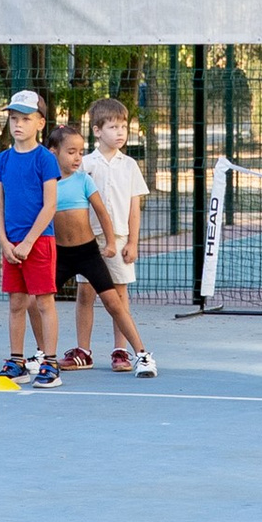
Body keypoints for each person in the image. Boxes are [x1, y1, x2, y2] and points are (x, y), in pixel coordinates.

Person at [48, 119, 159, 379]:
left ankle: (139, 353)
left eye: (79, 152)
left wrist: (116, 242)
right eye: (71, 152)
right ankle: (47, 355)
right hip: (61, 253)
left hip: (91, 251)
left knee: (115, 301)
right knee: (39, 299)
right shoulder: (53, 180)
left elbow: (106, 213)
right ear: (53, 152)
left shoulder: (86, 178)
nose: (77, 157)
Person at [75, 98, 157, 374]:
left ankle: (120, 350)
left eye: (123, 126)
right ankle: (83, 351)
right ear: (97, 131)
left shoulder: (130, 165)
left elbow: (135, 207)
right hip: (88, 240)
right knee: (85, 293)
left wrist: (132, 242)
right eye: (113, 126)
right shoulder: (84, 164)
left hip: (120, 239)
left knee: (119, 295)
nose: (120, 132)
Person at [0, 89, 63, 384]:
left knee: (44, 302)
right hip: (12, 246)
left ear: (40, 123)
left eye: (26, 119)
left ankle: (51, 363)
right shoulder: (2, 161)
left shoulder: (45, 160)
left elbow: (50, 204)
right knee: (17, 303)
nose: (18, 124)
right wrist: (5, 243)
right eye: (14, 118)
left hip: (40, 243)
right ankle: (16, 361)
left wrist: (29, 241)